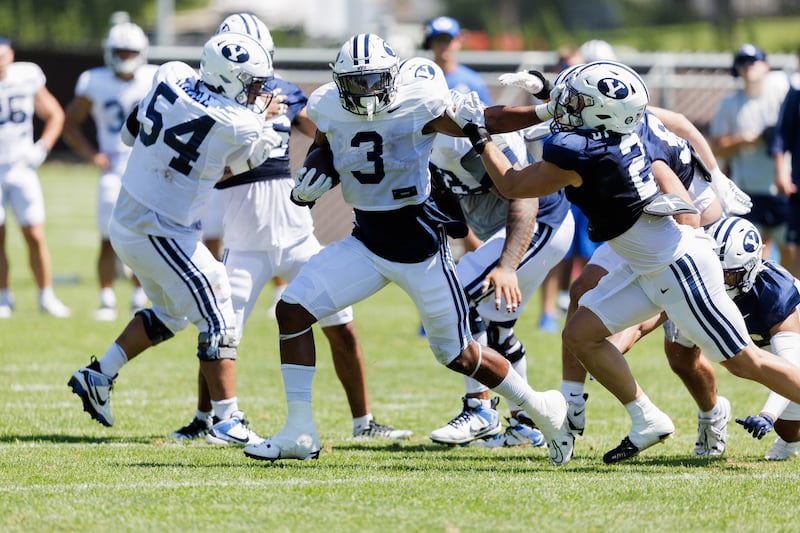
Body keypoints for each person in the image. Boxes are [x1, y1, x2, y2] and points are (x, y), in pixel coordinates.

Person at [242, 33, 573, 465]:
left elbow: (484, 121)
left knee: (459, 355)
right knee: (293, 310)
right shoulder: (327, 104)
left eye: (373, 80)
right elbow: (325, 148)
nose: (364, 91)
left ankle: (540, 407)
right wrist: (313, 178)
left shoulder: (417, 101)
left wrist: (545, 110)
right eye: (355, 82)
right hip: (366, 241)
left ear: (392, 77)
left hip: (420, 246)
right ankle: (299, 431)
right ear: (340, 81)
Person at [466, 59, 800, 464]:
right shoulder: (634, 124)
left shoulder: (589, 157)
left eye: (576, 103)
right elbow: (659, 165)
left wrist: (480, 136)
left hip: (678, 268)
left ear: (602, 114)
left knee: (746, 362)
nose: (567, 109)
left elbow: (511, 184)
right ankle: (646, 419)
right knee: (580, 333)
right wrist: (546, 90)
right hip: (650, 263)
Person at [170, 13, 412, 442]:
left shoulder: (286, 92)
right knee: (220, 331)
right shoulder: (216, 103)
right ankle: (205, 418)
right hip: (244, 241)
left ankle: (364, 422)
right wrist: (257, 125)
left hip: (299, 235)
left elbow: (326, 136)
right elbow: (214, 168)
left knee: (342, 325)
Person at [67, 32, 283, 445]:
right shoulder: (238, 123)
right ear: (230, 78)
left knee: (174, 313)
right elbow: (247, 160)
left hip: (132, 220)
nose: (258, 91)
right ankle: (225, 420)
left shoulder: (170, 74)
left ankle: (98, 374)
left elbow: (131, 133)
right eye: (252, 84)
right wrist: (265, 119)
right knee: (220, 309)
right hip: (160, 227)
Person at [559, 103, 752, 456]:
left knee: (680, 356)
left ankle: (712, 414)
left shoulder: (633, 120)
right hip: (640, 226)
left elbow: (681, 123)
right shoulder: (596, 122)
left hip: (685, 233)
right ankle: (569, 405)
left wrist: (718, 177)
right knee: (582, 290)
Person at [426, 131, 574, 447]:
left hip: (540, 222)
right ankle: (524, 425)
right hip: (514, 230)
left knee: (454, 296)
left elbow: (526, 196)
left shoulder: (466, 136)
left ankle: (479, 408)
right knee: (497, 330)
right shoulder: (419, 134)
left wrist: (506, 266)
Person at [62, 22, 155, 321]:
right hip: (113, 167)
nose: (126, 56)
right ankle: (106, 297)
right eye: (121, 51)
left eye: (131, 51)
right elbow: (69, 123)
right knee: (106, 236)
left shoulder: (155, 78)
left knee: (143, 234)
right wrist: (92, 155)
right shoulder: (94, 81)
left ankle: (139, 294)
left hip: (146, 167)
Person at [715, 217, 800, 460]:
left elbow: (790, 366)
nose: (721, 281)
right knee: (789, 428)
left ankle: (787, 442)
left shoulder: (773, 292)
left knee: (786, 428)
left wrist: (768, 415)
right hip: (774, 349)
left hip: (794, 349)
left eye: (729, 275)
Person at [0, 37, 70, 319]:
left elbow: (54, 113)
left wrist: (43, 146)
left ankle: (46, 295)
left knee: (35, 234)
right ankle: (4, 296)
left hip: (20, 167)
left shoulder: (26, 75)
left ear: (11, 55)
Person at [710, 43, 791, 267]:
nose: (749, 67)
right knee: (751, 255)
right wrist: (745, 139)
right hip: (747, 193)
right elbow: (715, 147)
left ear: (765, 66)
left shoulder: (782, 93)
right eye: (743, 62)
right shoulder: (730, 104)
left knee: (791, 252)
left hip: (781, 188)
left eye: (754, 61)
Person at [422, 16, 491, 105]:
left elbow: (487, 116)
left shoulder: (474, 82)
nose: (443, 45)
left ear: (458, 42)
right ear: (430, 43)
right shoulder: (421, 81)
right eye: (438, 40)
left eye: (447, 39)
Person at [771, 70, 800, 278]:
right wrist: (781, 172)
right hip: (798, 184)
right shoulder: (796, 92)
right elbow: (781, 135)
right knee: (796, 249)